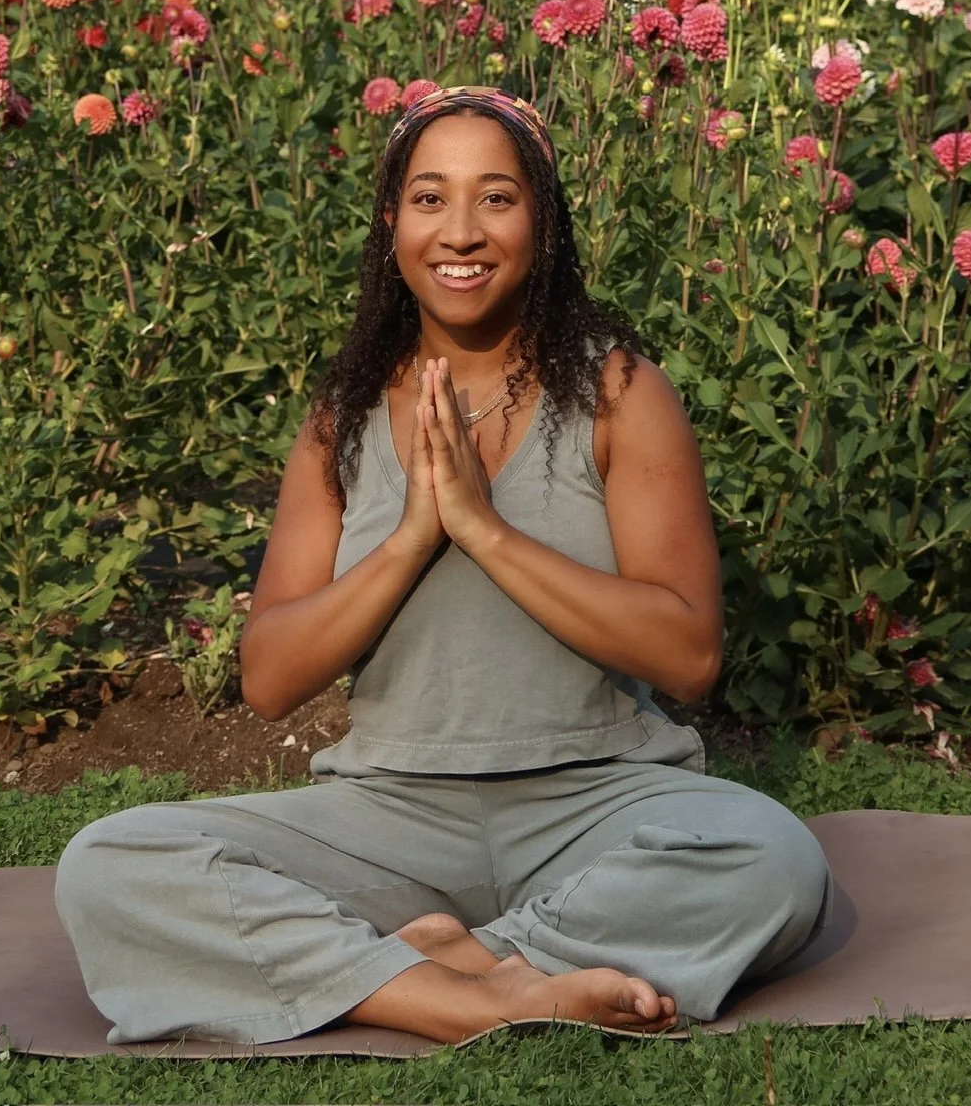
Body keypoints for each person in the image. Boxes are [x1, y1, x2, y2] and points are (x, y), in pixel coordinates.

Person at [56, 85, 831, 1048]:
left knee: (772, 858)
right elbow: (270, 678)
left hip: (595, 798)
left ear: (542, 221)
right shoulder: (342, 417)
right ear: (392, 224)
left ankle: (441, 961)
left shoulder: (617, 390)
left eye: (496, 198)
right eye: (429, 199)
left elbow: (686, 655)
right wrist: (415, 536)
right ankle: (481, 990)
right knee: (113, 860)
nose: (460, 231)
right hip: (389, 809)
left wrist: (486, 529)